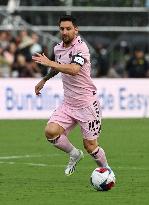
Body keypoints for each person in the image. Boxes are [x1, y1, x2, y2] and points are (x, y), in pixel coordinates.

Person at [32, 15, 112, 176]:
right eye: (62, 29)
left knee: (90, 146)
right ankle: (74, 154)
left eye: (68, 28)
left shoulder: (81, 48)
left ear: (76, 29)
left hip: (87, 104)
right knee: (51, 131)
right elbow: (58, 67)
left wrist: (49, 62)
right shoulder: (58, 48)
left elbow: (74, 69)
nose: (65, 32)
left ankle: (108, 172)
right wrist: (44, 80)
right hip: (69, 104)